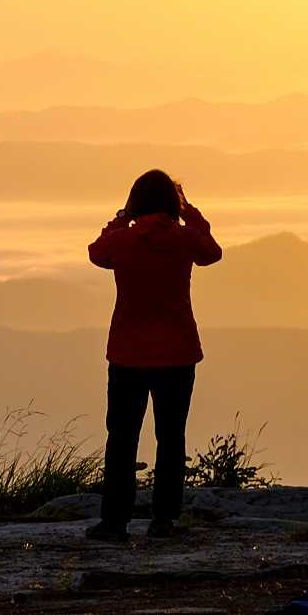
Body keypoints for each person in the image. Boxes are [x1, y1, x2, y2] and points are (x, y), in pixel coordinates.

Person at [86, 168, 222, 541]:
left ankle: (114, 521)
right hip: (177, 353)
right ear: (171, 203)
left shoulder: (123, 242)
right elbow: (213, 252)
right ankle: (165, 519)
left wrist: (121, 219)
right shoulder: (185, 239)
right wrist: (190, 211)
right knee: (172, 437)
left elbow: (96, 253)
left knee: (122, 438)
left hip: (128, 353)